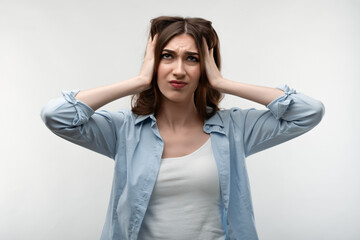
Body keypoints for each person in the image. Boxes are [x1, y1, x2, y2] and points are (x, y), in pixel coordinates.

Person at [41, 16, 324, 240]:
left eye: (192, 58)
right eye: (167, 56)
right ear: (153, 63)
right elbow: (57, 115)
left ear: (205, 67)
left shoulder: (235, 128)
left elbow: (308, 112)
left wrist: (222, 82)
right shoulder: (123, 131)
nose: (179, 70)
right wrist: (140, 79)